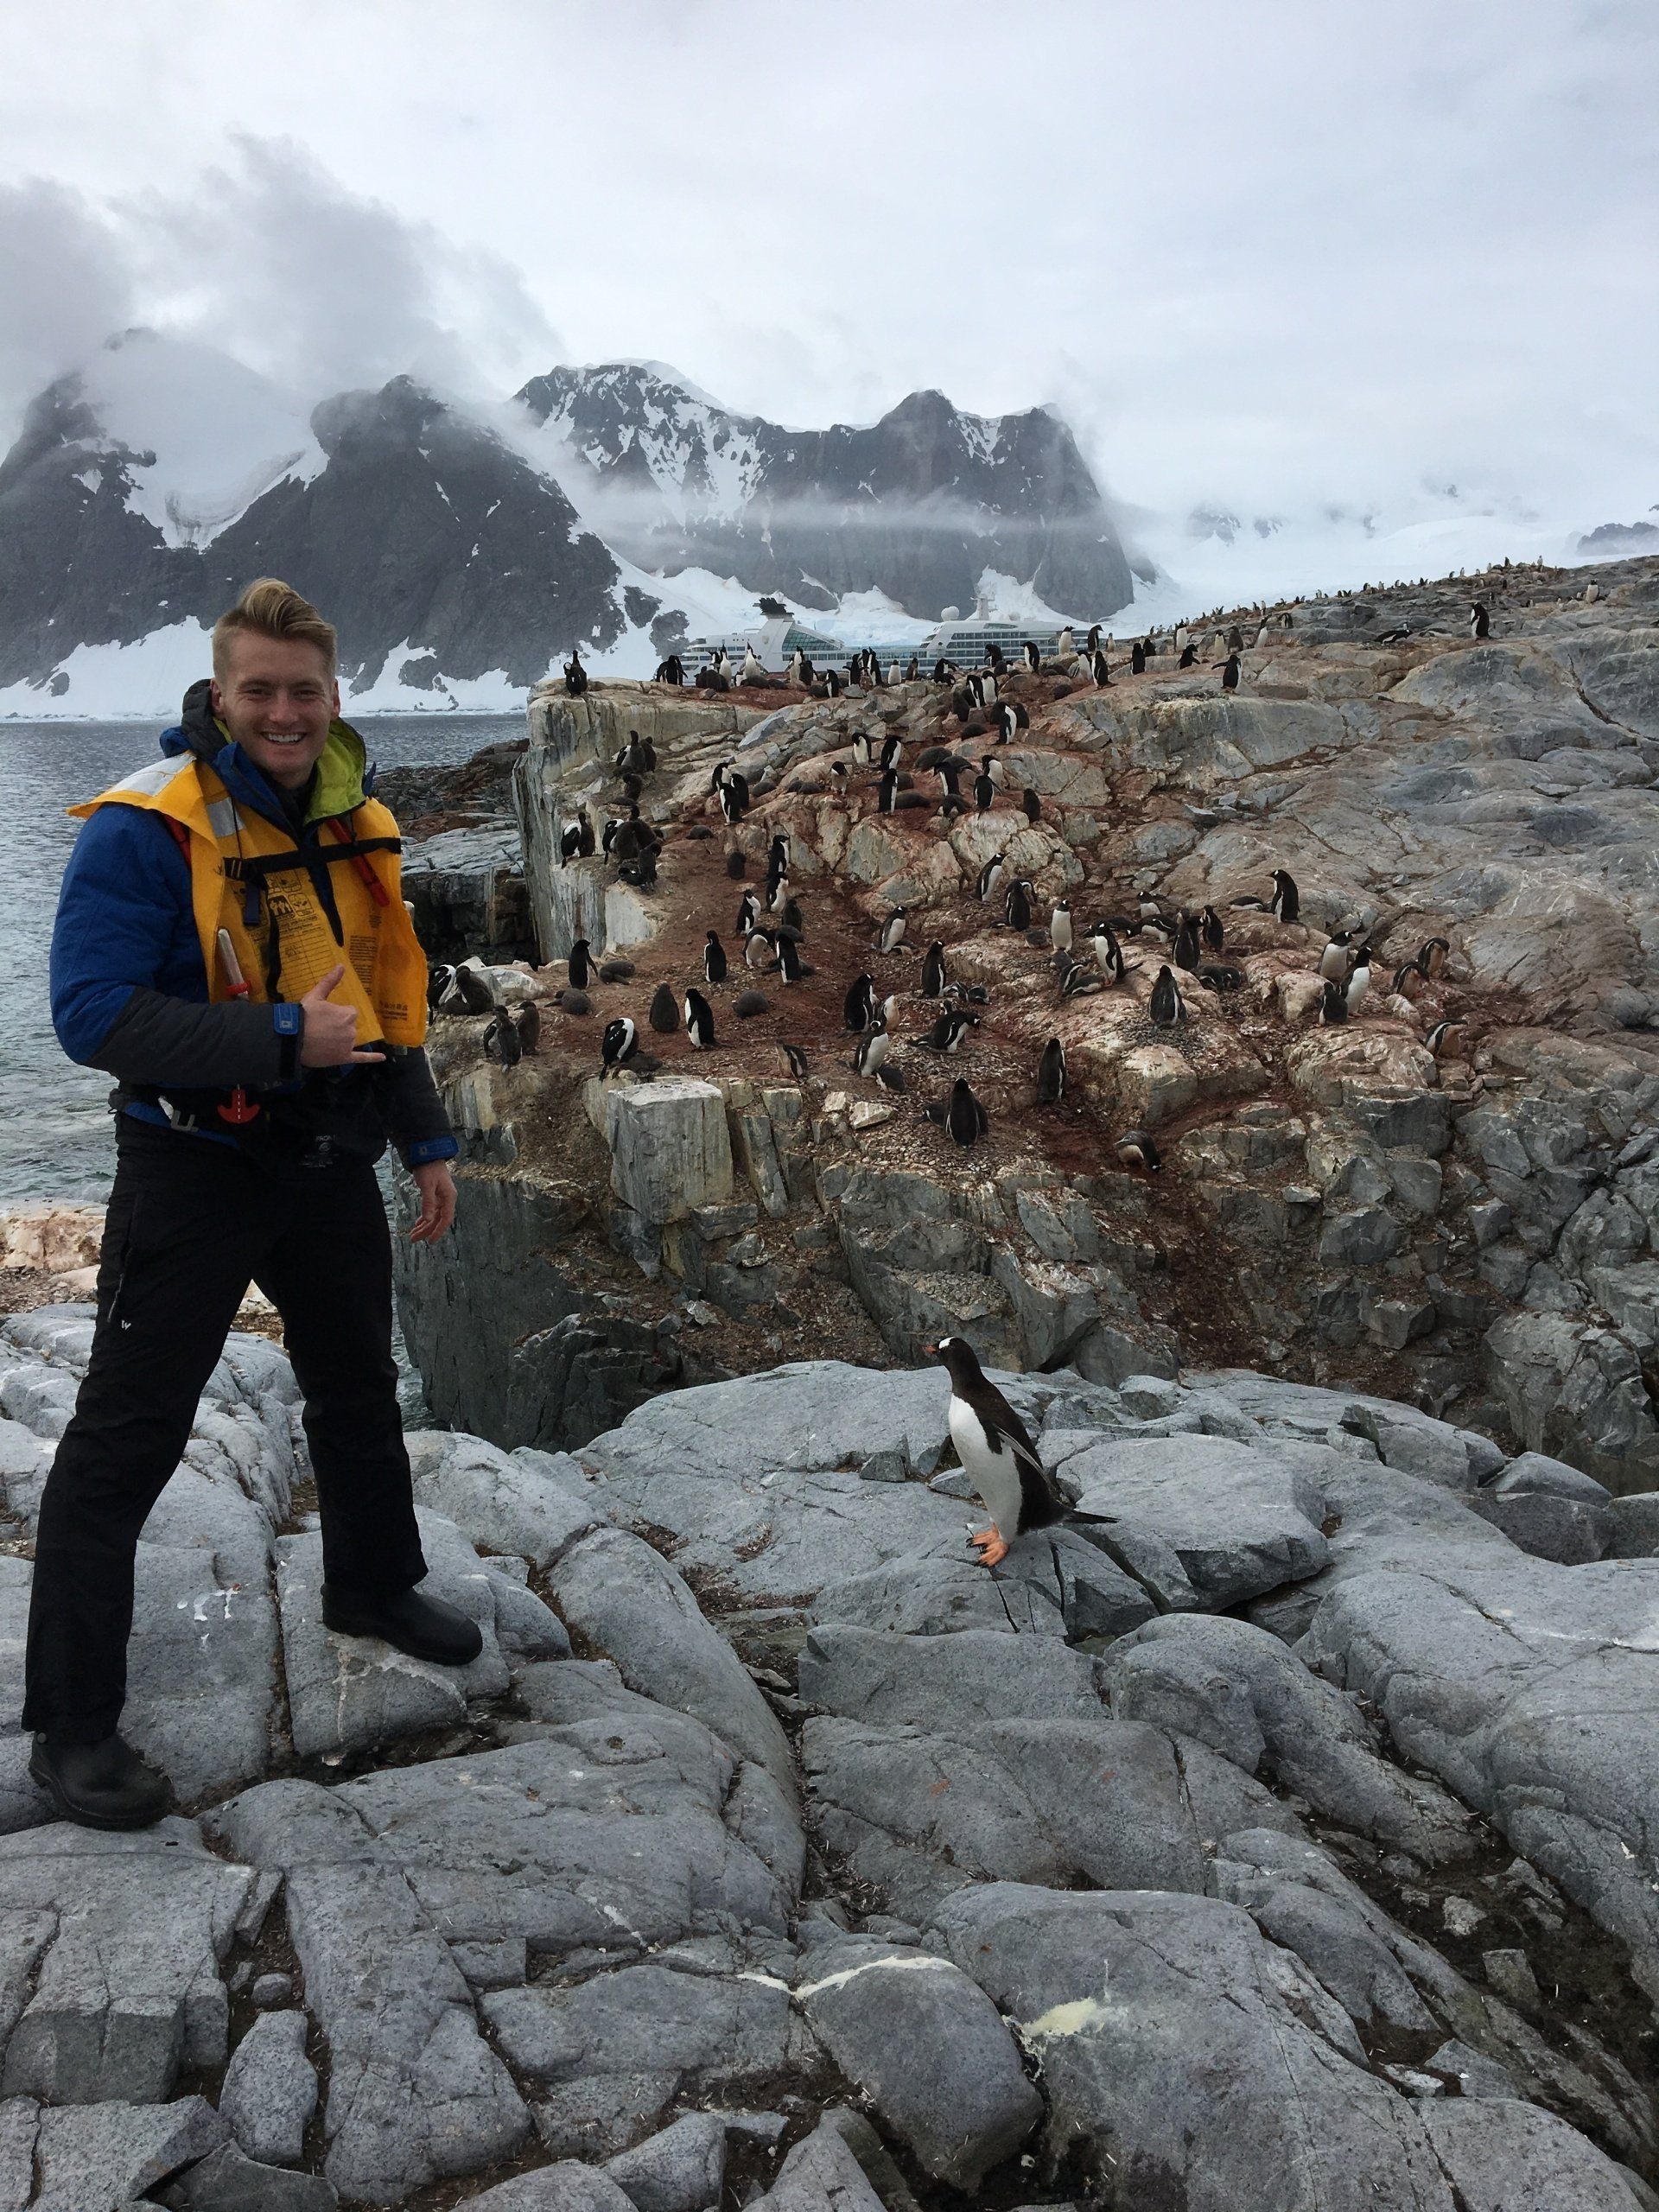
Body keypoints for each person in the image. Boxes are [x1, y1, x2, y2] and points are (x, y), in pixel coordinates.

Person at [24, 576, 480, 1829]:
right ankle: (69, 1729)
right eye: (259, 691)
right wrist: (281, 1037)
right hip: (193, 1168)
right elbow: (92, 1015)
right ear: (219, 696)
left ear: (334, 699)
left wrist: (423, 1137)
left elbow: (382, 1006)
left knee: (354, 1386)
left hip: (328, 1159)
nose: (283, 711)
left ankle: (374, 1584)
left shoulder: (351, 816)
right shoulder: (146, 829)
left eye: (304, 692)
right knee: (126, 1438)